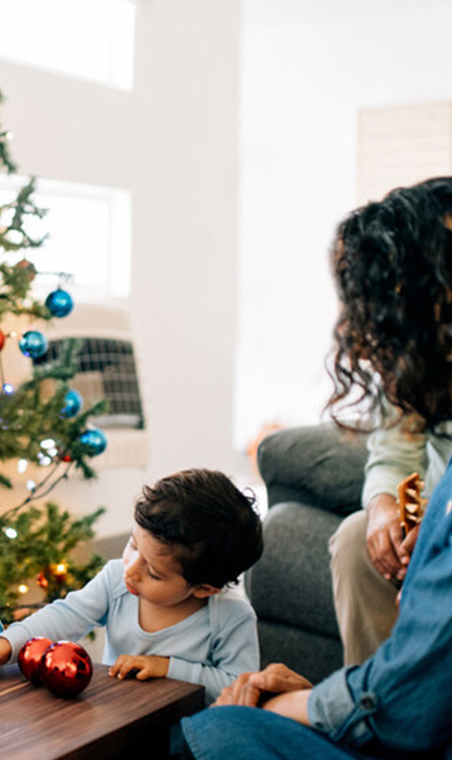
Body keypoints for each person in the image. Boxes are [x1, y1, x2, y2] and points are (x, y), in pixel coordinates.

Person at [182, 177, 452, 759]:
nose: (367, 339)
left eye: (382, 313)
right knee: (357, 537)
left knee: (212, 734)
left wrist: (299, 707)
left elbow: (409, 706)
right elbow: (396, 441)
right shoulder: (427, 391)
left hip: (409, 719)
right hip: (404, 705)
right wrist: (325, 697)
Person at [0, 469, 264, 705]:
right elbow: (65, 616)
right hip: (118, 718)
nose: (132, 570)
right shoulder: (116, 579)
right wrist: (7, 644)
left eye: (153, 573)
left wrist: (167, 668)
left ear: (205, 589)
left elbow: (239, 686)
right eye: (132, 545)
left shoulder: (231, 616)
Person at [328, 408, 452, 664]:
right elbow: (393, 454)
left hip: (443, 514)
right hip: (434, 505)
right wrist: (381, 504)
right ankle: (372, 694)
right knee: (355, 540)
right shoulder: (410, 372)